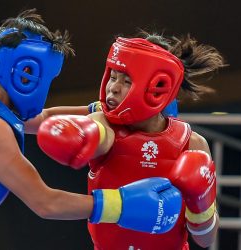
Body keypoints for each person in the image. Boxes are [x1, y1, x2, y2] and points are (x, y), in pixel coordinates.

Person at [0, 10, 183, 250]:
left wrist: (104, 111)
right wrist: (122, 205)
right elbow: (45, 202)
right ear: (27, 72)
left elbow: (43, 118)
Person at [37, 31, 226, 249]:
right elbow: (98, 135)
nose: (113, 87)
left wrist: (200, 205)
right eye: (113, 76)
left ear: (156, 89)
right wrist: (79, 134)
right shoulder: (103, 124)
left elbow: (206, 240)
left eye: (126, 80)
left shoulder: (192, 143)